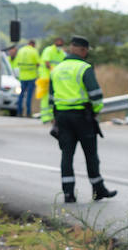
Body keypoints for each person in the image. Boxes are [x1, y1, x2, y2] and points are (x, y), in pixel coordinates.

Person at [48, 35, 116, 203]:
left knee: (67, 155)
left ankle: (68, 194)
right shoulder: (84, 68)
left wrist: (54, 117)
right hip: (82, 117)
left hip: (62, 117)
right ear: (83, 50)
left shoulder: (56, 70)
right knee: (91, 154)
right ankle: (98, 190)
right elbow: (96, 95)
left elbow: (51, 97)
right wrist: (95, 112)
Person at [37, 36, 67, 123]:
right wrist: (55, 71)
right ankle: (45, 117)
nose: (59, 46)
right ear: (55, 43)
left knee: (54, 97)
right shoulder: (48, 50)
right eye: (58, 44)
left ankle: (52, 117)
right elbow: (47, 63)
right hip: (45, 78)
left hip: (55, 79)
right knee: (45, 97)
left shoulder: (62, 53)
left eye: (61, 45)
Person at [12, 39, 40, 117]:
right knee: (29, 96)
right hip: (31, 76)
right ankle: (28, 113)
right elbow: (38, 63)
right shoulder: (34, 51)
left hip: (22, 76)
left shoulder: (21, 50)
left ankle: (19, 112)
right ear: (33, 45)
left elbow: (17, 63)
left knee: (21, 95)